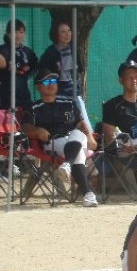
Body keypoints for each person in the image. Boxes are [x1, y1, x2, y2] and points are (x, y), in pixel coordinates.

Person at [21, 69, 98, 207]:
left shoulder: (68, 103)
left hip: (72, 139)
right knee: (78, 149)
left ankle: (70, 168)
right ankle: (86, 192)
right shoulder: (33, 107)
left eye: (53, 81)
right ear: (37, 86)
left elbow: (80, 123)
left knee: (78, 134)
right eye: (46, 81)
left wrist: (89, 136)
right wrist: (37, 130)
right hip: (52, 142)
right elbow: (25, 128)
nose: (51, 84)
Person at [38, 20, 92, 131]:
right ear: (56, 35)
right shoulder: (50, 53)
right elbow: (44, 74)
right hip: (59, 95)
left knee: (85, 126)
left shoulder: (74, 49)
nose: (67, 34)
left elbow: (78, 71)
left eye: (69, 31)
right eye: (63, 32)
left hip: (75, 93)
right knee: (64, 125)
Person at [0, 19, 38, 112]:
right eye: (15, 32)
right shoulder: (3, 49)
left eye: (21, 32)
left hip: (24, 96)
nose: (18, 35)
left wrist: (27, 71)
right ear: (8, 34)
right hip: (6, 98)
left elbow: (35, 67)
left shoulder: (28, 52)